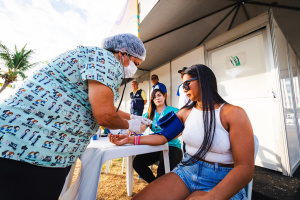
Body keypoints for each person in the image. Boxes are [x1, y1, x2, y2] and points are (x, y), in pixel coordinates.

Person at [0, 33, 152, 200]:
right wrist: (132, 126)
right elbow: (105, 116)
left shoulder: (94, 59)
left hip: (24, 144)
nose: (134, 69)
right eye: (136, 63)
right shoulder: (106, 60)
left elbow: (102, 105)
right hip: (33, 149)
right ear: (123, 53)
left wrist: (133, 117)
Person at [109, 64, 255, 200]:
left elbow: (245, 168)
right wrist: (129, 139)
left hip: (220, 178)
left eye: (187, 84)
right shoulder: (185, 113)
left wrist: (211, 197)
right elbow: (161, 136)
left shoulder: (233, 114)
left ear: (203, 82)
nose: (183, 89)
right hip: (186, 171)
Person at [128, 89, 182, 183]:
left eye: (159, 95)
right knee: (137, 163)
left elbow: (179, 132)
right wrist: (132, 130)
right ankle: (154, 184)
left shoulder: (174, 111)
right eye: (154, 97)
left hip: (172, 146)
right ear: (152, 100)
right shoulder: (149, 114)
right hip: (156, 147)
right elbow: (141, 128)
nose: (157, 98)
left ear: (164, 96)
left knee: (161, 173)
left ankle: (158, 187)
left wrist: (164, 138)